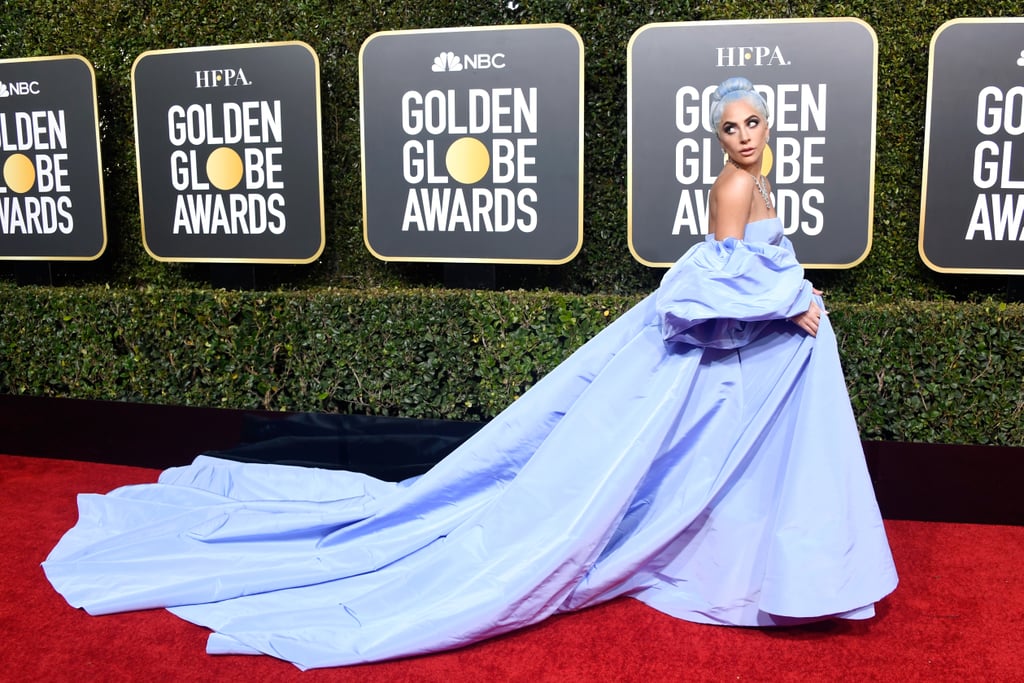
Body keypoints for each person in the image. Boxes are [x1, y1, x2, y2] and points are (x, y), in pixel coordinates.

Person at [43, 77, 897, 670]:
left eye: (751, 125)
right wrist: (786, 303)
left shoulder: (760, 178)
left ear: (770, 127)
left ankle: (760, 566)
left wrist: (790, 290)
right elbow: (710, 278)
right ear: (718, 139)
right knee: (653, 470)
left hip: (753, 352)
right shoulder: (729, 188)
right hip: (727, 350)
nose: (742, 138)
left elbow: (753, 263)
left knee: (717, 472)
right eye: (729, 128)